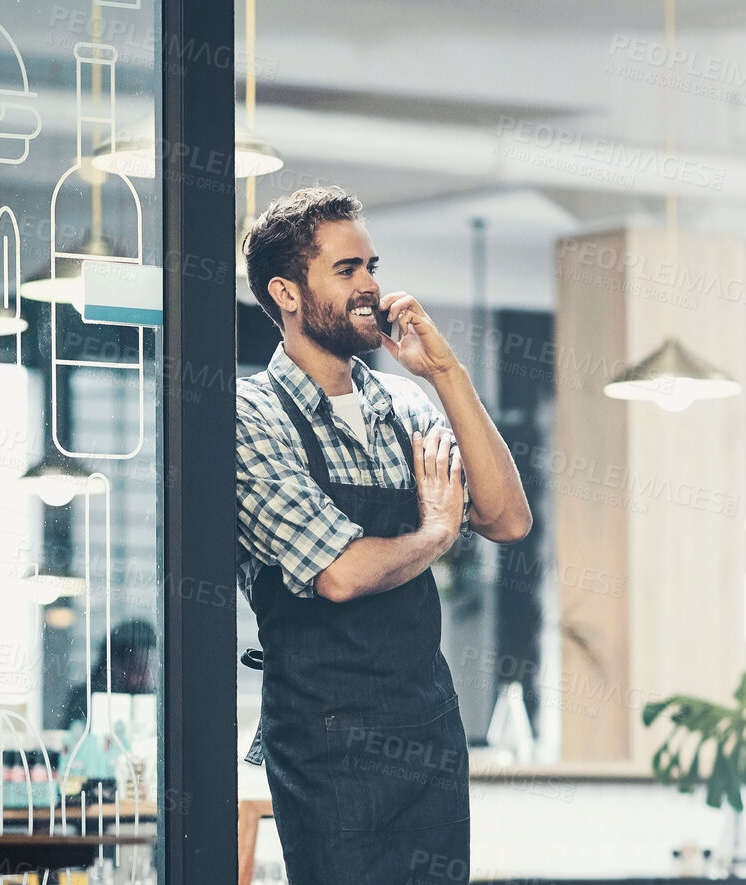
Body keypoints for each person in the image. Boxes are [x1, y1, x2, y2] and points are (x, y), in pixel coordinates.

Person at [234, 186, 531, 885]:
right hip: (326, 745)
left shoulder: (403, 403)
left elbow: (507, 518)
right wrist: (433, 532)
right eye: (347, 269)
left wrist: (444, 372)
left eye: (372, 264)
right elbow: (339, 573)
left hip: (428, 734)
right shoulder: (251, 416)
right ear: (287, 292)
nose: (372, 285)